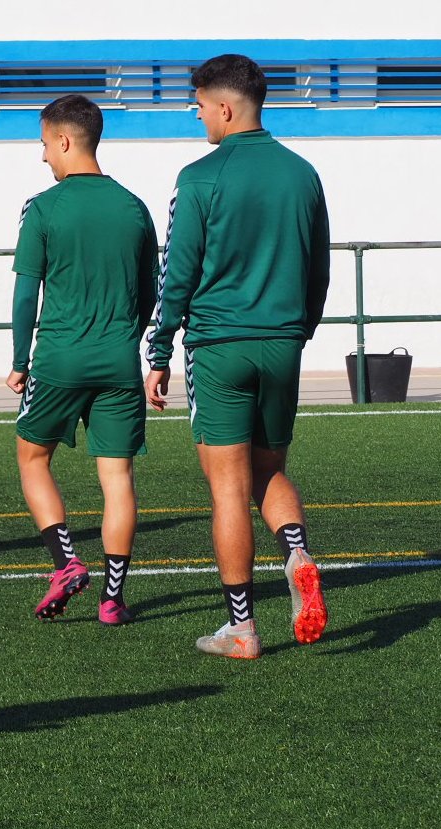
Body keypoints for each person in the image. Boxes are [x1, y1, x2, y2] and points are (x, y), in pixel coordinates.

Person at [144, 54, 331, 659]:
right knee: (269, 470)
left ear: (224, 107)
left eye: (199, 106)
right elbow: (318, 267)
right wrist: (298, 331)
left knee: (227, 489)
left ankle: (243, 628)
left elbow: (177, 273)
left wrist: (160, 347)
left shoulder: (199, 176)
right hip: (281, 342)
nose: (197, 117)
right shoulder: (303, 173)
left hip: (219, 346)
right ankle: (297, 552)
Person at [7, 94, 158, 627]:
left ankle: (66, 562)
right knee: (117, 477)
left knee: (32, 458)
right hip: (119, 361)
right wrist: (128, 340)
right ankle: (113, 600)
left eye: (45, 143)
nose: (43, 155)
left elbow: (28, 294)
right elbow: (150, 292)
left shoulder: (43, 207)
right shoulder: (134, 206)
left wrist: (20, 359)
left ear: (66, 141)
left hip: (58, 361)